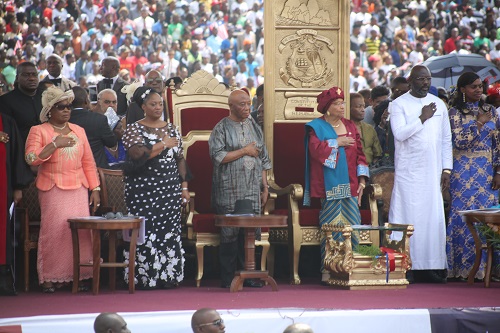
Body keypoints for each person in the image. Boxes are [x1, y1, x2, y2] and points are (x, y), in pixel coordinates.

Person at [25, 86, 100, 293]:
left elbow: (88, 162)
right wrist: (54, 145)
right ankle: (50, 276)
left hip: (78, 188)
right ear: (50, 110)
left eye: (69, 106)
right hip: (53, 188)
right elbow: (31, 159)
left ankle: (81, 275)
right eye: (61, 107)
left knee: (80, 233)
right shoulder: (38, 130)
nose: (67, 110)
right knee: (55, 232)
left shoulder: (79, 130)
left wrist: (95, 188)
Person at [389, 65, 452, 283]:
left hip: (432, 172)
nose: (425, 83)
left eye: (428, 79)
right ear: (410, 80)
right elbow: (399, 133)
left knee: (432, 219)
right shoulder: (398, 104)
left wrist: (446, 168)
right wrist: (422, 118)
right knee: (408, 216)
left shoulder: (440, 105)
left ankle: (432, 266)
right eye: (420, 79)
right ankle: (407, 265)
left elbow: (446, 139)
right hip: (409, 172)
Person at [122, 86, 189, 289]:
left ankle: (168, 276)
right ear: (143, 107)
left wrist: (184, 186)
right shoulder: (133, 128)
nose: (158, 107)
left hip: (169, 189)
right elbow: (138, 155)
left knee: (169, 231)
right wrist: (163, 144)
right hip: (142, 190)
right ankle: (144, 277)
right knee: (146, 232)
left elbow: (180, 159)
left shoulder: (171, 128)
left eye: (160, 104)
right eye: (153, 104)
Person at [304, 86, 369, 283]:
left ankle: (353, 266)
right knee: (331, 226)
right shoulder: (316, 127)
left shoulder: (350, 126)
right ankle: (329, 269)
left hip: (350, 183)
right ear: (327, 107)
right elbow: (315, 151)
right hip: (328, 184)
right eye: (337, 104)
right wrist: (336, 142)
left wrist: (363, 180)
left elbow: (360, 154)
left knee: (352, 224)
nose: (342, 107)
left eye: (342, 103)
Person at [209, 89, 271, 289]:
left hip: (252, 187)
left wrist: (265, 187)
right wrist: (244, 151)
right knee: (230, 232)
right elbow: (218, 156)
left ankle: (250, 276)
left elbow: (262, 157)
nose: (247, 108)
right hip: (229, 188)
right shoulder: (221, 128)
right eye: (242, 104)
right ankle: (228, 278)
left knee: (250, 231)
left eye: (248, 104)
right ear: (231, 106)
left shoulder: (254, 125)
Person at [446, 72, 500, 280]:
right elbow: (459, 141)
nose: (478, 90)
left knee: (489, 218)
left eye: (480, 86)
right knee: (463, 218)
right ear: (462, 90)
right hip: (462, 171)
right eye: (473, 87)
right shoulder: (454, 112)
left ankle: (489, 269)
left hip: (486, 171)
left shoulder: (491, 110)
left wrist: (498, 171)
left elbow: (497, 144)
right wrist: (477, 123)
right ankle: (462, 269)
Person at [0, 114, 33, 296]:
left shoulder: (6, 121)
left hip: (2, 186)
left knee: (2, 231)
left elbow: (15, 154)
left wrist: (18, 186)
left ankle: (3, 278)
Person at [69, 86, 117, 168]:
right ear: (86, 101)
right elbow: (111, 143)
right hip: (97, 168)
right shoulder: (99, 119)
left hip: (72, 167)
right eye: (107, 102)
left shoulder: (64, 120)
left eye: (114, 102)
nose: (111, 105)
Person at [0, 62, 42, 144]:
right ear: (17, 78)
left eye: (34, 74)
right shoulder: (5, 101)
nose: (31, 78)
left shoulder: (46, 97)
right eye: (26, 75)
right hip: (19, 149)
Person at [350, 92, 382, 166]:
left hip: (369, 170)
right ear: (349, 108)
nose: (363, 110)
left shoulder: (369, 128)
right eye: (358, 106)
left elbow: (377, 153)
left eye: (363, 106)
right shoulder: (343, 128)